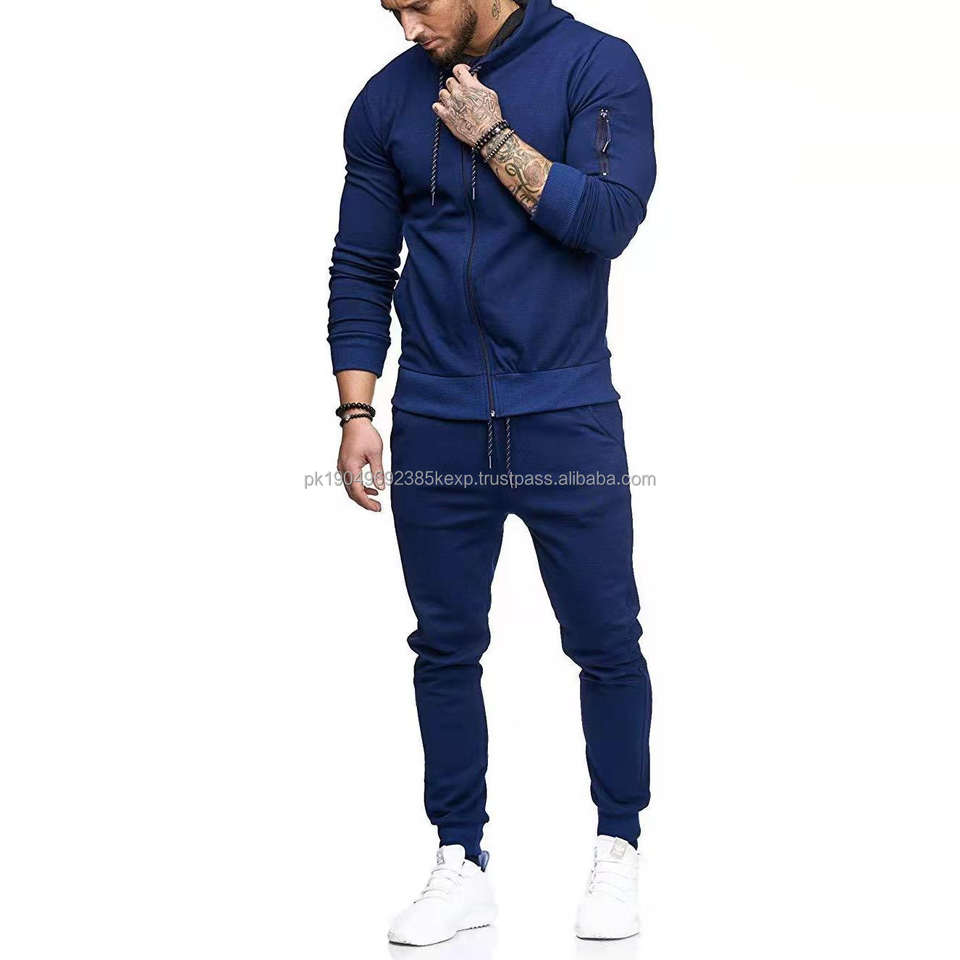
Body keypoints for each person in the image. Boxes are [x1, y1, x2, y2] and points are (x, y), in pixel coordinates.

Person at [328, 0, 656, 944]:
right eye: (389, 9)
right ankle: (459, 860)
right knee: (444, 647)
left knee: (606, 641)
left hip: (565, 414)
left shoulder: (596, 65)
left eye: (417, 4)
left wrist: (494, 136)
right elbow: (361, 264)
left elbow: (609, 219)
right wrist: (357, 410)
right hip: (437, 421)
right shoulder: (384, 102)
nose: (406, 28)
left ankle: (619, 844)